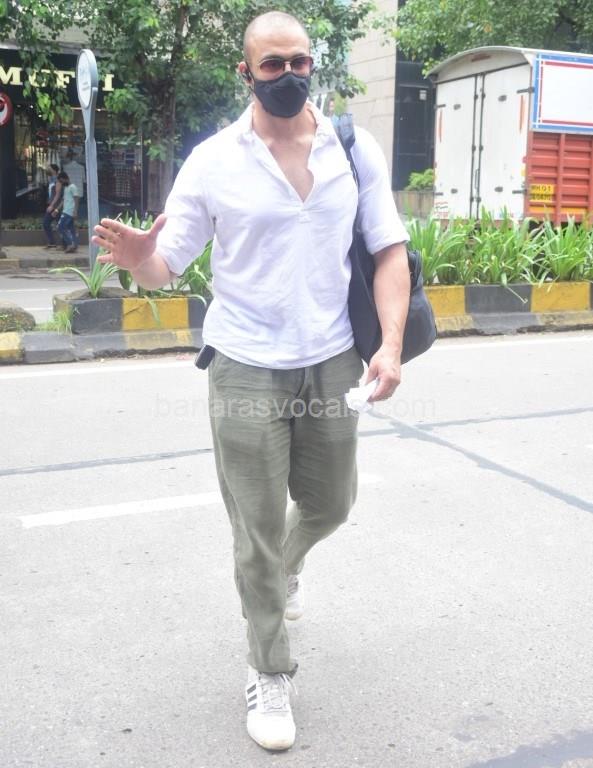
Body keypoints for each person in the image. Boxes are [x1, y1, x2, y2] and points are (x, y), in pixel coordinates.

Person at [92, 11, 410, 752]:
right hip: (243, 363)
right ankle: (269, 669)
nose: (288, 75)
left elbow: (388, 249)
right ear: (246, 73)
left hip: (333, 358)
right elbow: (165, 263)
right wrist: (139, 258)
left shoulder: (352, 148)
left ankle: (284, 570)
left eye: (299, 61)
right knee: (256, 531)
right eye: (272, 64)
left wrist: (390, 346)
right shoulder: (212, 161)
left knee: (331, 503)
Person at [57, 172, 79, 253]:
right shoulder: (66, 188)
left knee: (60, 227)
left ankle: (70, 244)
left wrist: (75, 211)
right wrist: (57, 209)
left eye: (61, 181)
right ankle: (74, 245)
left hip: (69, 212)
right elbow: (64, 200)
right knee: (71, 229)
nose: (61, 183)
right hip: (66, 210)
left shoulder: (73, 187)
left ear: (65, 178)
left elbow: (76, 199)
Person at [42, 164, 62, 249]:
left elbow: (58, 194)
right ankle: (52, 242)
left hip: (56, 206)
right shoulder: (51, 180)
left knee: (60, 225)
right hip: (52, 204)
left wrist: (52, 205)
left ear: (54, 170)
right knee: (46, 223)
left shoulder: (58, 180)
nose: (48, 169)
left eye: (49, 168)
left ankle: (65, 243)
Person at [63, 149, 86, 215]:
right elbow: (84, 180)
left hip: (69, 189)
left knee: (69, 205)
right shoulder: (81, 167)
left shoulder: (65, 167)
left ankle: (70, 215)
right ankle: (76, 215)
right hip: (79, 189)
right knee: (77, 205)